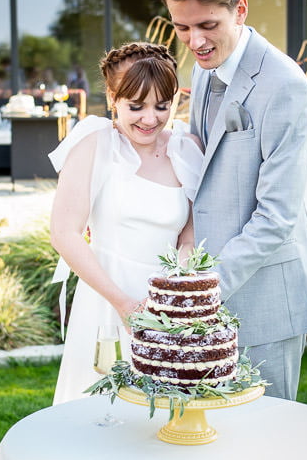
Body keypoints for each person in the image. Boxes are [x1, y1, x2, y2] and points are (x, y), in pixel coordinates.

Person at [158, 0, 307, 401]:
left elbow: (277, 217)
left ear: (240, 8)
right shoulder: (202, 71)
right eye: (183, 27)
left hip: (267, 295)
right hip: (211, 288)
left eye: (208, 25)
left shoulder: (286, 87)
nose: (195, 41)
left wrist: (202, 289)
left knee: (266, 439)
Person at [48, 43, 203, 405]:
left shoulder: (186, 148)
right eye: (136, 107)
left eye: (162, 106)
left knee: (163, 417)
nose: (150, 119)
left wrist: (170, 294)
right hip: (105, 299)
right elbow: (64, 233)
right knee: (100, 413)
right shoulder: (95, 145)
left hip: (165, 306)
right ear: (113, 99)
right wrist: (124, 305)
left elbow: (189, 236)